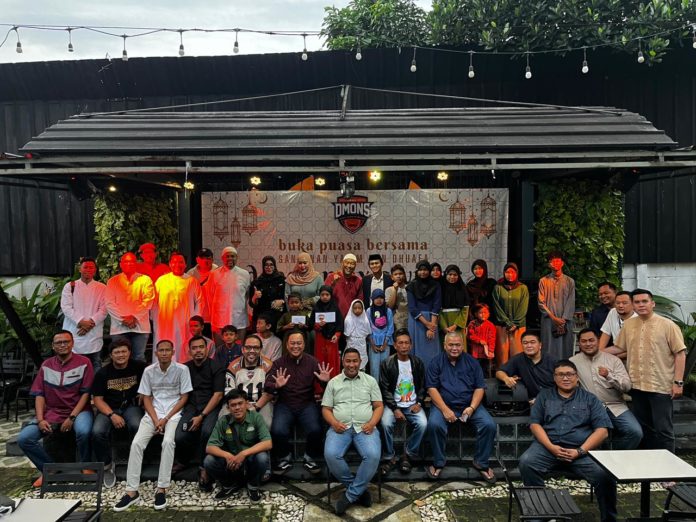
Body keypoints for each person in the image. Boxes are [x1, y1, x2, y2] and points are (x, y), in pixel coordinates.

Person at [518, 359, 617, 522]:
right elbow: (535, 424)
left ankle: (609, 519)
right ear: (554, 378)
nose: (565, 378)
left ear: (577, 377)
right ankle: (538, 515)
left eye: (570, 374)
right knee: (527, 462)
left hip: (581, 451)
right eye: (561, 375)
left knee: (605, 475)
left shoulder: (590, 399)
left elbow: (602, 431)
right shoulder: (544, 396)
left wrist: (580, 451)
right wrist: (551, 447)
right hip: (547, 448)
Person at [113, 339, 192, 512]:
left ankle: (162, 488)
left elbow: (184, 397)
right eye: (160, 350)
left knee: (168, 442)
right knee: (136, 443)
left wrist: (166, 419)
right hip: (153, 413)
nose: (164, 353)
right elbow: (146, 397)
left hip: (173, 414)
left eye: (167, 350)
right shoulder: (149, 371)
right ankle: (131, 491)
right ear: (155, 353)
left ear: (173, 352)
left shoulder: (182, 369)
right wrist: (156, 420)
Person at [613, 289, 687, 452]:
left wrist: (678, 383)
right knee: (645, 429)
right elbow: (619, 347)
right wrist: (596, 352)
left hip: (660, 386)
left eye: (644, 301)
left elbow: (680, 354)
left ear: (652, 303)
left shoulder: (667, 325)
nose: (641, 305)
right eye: (637, 302)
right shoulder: (629, 325)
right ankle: (648, 465)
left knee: (663, 430)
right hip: (637, 386)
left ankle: (668, 467)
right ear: (633, 305)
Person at [19, 330, 94, 488]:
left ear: (72, 343)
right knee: (24, 438)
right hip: (52, 412)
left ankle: (85, 465)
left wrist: (72, 417)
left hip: (79, 411)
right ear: (53, 346)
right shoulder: (46, 365)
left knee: (84, 431)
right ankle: (49, 469)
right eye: (58, 342)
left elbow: (86, 394)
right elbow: (39, 394)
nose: (62, 345)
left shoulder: (84, 362)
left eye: (66, 341)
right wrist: (40, 419)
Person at [425, 331, 496, 483]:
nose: (454, 348)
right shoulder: (435, 362)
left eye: (457, 345)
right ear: (444, 346)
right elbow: (431, 388)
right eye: (451, 345)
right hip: (443, 405)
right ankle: (438, 462)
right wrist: (445, 410)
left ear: (462, 346)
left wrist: (472, 408)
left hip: (469, 404)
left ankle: (481, 462)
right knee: (434, 425)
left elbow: (479, 387)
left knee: (489, 425)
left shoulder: (472, 362)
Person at [322, 348, 383, 515]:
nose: (351, 364)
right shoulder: (333, 382)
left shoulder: (370, 381)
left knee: (373, 455)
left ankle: (349, 496)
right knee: (331, 454)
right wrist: (334, 423)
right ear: (343, 362)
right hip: (340, 428)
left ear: (360, 362)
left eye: (355, 361)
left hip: (365, 428)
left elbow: (378, 406)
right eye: (348, 361)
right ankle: (359, 491)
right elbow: (326, 409)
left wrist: (372, 423)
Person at [262, 331, 332, 475]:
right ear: (287, 345)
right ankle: (284, 457)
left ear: (304, 345)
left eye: (299, 343)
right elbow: (267, 385)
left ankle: (310, 457)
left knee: (315, 429)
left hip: (306, 403)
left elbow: (326, 385)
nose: (296, 346)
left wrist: (326, 382)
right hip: (285, 404)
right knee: (278, 430)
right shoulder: (279, 363)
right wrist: (276, 385)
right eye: (292, 343)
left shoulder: (312, 362)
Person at [570, 329, 642, 450]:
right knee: (587, 435)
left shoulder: (613, 360)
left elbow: (627, 386)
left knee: (635, 432)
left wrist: (609, 376)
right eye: (584, 341)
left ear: (598, 341)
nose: (588, 344)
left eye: (591, 340)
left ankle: (614, 454)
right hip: (588, 407)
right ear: (579, 344)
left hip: (615, 405)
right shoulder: (573, 362)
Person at [91, 338, 146, 488]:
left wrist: (145, 393)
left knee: (137, 426)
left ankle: (136, 462)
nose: (121, 355)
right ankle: (107, 466)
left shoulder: (140, 367)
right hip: (109, 408)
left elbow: (152, 381)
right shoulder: (103, 373)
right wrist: (111, 415)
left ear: (129, 353)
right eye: (117, 352)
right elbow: (98, 400)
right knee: (97, 432)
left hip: (131, 406)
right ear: (111, 355)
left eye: (124, 351)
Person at [173, 335, 225, 489]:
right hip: (191, 406)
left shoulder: (216, 366)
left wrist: (201, 416)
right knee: (180, 435)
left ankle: (204, 467)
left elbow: (218, 395)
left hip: (211, 406)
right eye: (194, 348)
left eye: (201, 347)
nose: (198, 351)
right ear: (189, 351)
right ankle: (183, 461)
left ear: (207, 349)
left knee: (207, 431)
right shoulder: (185, 368)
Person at [204, 389, 272, 501]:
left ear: (247, 404)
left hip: (250, 460)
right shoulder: (223, 421)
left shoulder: (256, 417)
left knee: (262, 458)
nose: (237, 408)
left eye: (240, 403)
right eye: (233, 405)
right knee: (209, 461)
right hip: (231, 462)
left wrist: (244, 454)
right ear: (228, 408)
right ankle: (229, 485)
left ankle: (253, 486)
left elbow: (268, 443)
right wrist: (227, 456)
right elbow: (209, 447)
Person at [378, 329, 427, 476]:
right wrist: (394, 408)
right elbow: (384, 388)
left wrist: (419, 402)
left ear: (411, 345)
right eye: (400, 343)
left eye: (406, 343)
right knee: (385, 423)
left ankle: (408, 454)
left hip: (412, 404)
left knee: (423, 423)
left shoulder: (417, 362)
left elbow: (423, 385)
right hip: (394, 404)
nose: (404, 346)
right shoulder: (387, 363)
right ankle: (389, 456)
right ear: (395, 345)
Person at [152, 252, 203, 363]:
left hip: (185, 322)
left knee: (183, 347)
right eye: (174, 262)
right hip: (165, 323)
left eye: (181, 262)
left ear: (185, 264)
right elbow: (154, 303)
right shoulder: (161, 280)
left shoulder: (192, 281)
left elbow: (199, 301)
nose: (177, 265)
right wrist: (156, 320)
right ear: (170, 264)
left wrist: (195, 321)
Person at [105, 252, 155, 362]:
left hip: (140, 327)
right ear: (121, 264)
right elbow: (109, 304)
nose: (129, 264)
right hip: (119, 328)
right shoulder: (113, 281)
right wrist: (123, 319)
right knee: (119, 359)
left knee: (139, 358)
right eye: (126, 262)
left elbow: (148, 301)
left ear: (136, 263)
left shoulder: (145, 280)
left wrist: (134, 317)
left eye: (132, 262)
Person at [60, 257, 107, 371]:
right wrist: (81, 322)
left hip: (93, 334)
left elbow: (104, 309)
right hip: (74, 332)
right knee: (73, 368)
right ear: (79, 269)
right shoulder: (70, 286)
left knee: (95, 365)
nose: (88, 270)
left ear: (95, 270)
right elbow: (66, 307)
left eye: (91, 267)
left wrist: (90, 324)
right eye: (85, 267)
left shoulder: (102, 287)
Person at [224, 334, 274, 428]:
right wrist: (242, 406)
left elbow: (270, 392)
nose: (252, 351)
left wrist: (256, 407)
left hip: (261, 403)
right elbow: (229, 392)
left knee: (266, 424)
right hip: (237, 402)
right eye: (248, 347)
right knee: (223, 420)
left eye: (256, 348)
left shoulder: (269, 365)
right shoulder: (233, 366)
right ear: (242, 349)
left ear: (260, 349)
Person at [495, 330, 556, 402]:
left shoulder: (552, 361)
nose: (529, 346)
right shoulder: (518, 359)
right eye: (525, 343)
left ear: (540, 345)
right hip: (531, 401)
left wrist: (542, 400)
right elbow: (499, 372)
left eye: (532, 342)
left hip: (553, 399)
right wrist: (506, 378)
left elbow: (563, 385)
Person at [208, 246, 252, 345]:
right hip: (219, 320)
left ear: (237, 257)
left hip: (239, 319)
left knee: (238, 348)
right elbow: (209, 296)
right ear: (222, 258)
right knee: (220, 349)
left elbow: (247, 296)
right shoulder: (214, 274)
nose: (230, 259)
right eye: (227, 256)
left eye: (232, 256)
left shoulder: (244, 274)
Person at [538, 251, 576, 360]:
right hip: (548, 320)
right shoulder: (543, 281)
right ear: (549, 264)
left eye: (557, 261)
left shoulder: (569, 281)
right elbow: (541, 303)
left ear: (562, 263)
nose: (555, 263)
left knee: (565, 348)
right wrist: (554, 318)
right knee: (548, 348)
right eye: (552, 261)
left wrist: (562, 321)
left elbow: (571, 302)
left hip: (565, 321)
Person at [492, 262, 529, 366]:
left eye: (513, 272)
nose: (510, 275)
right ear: (504, 273)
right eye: (507, 272)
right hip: (502, 326)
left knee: (517, 354)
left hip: (518, 327)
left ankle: (516, 374)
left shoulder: (523, 288)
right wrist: (507, 322)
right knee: (502, 355)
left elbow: (523, 307)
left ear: (517, 273)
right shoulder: (498, 288)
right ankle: (503, 374)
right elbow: (497, 307)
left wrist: (515, 323)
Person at [407, 260, 442, 368]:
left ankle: (432, 376)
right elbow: (412, 308)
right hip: (417, 320)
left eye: (425, 270)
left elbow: (436, 305)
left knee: (431, 351)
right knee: (416, 351)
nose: (423, 272)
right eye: (420, 270)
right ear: (417, 271)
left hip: (432, 319)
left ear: (429, 271)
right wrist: (427, 324)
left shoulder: (436, 285)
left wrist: (432, 327)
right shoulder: (411, 285)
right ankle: (417, 376)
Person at [308, 286, 343, 380]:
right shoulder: (316, 307)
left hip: (332, 339)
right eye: (322, 294)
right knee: (320, 360)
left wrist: (337, 335)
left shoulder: (335, 307)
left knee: (332, 361)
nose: (324, 297)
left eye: (327, 294)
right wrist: (318, 325)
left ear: (331, 295)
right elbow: (310, 324)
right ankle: (319, 386)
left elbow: (340, 323)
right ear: (319, 295)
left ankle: (333, 383)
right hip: (320, 338)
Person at [249, 255, 286, 330]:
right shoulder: (257, 282)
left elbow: (288, 298)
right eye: (266, 265)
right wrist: (254, 297)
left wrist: (282, 301)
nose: (269, 267)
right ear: (263, 266)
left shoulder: (282, 280)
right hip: (261, 317)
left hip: (277, 317)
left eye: (271, 265)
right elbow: (251, 304)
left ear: (274, 266)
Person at [186, 247, 218, 327]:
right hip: (197, 315)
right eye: (202, 258)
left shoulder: (218, 272)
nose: (205, 261)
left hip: (215, 316)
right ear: (197, 259)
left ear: (212, 260)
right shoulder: (190, 274)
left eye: (208, 258)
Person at [599, 291, 637, 358]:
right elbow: (606, 333)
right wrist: (598, 353)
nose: (620, 306)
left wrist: (613, 358)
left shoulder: (638, 319)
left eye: (624, 303)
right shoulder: (613, 312)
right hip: (615, 351)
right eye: (617, 303)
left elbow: (634, 350)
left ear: (633, 304)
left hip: (632, 356)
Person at [367, 288, 394, 381]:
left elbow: (390, 327)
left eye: (381, 298)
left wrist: (385, 343)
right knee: (374, 367)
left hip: (385, 342)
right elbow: (368, 328)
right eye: (376, 298)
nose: (379, 300)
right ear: (372, 299)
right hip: (373, 342)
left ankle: (384, 388)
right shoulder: (369, 311)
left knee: (385, 366)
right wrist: (372, 344)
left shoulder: (388, 311)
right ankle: (375, 388)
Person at [325, 253, 364, 318]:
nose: (349, 266)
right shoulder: (331, 277)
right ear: (342, 263)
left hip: (351, 318)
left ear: (355, 266)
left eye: (352, 264)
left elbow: (360, 301)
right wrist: (333, 284)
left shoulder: (358, 281)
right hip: (333, 317)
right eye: (347, 263)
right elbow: (324, 296)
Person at [438, 264, 470, 342]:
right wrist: (444, 327)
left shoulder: (462, 289)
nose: (452, 277)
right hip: (444, 322)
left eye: (455, 275)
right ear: (446, 275)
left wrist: (455, 325)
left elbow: (465, 309)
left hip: (458, 324)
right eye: (450, 274)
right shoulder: (440, 289)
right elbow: (437, 308)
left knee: (458, 344)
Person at [467, 303, 496, 377]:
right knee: (474, 367)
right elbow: (470, 336)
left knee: (485, 369)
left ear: (489, 314)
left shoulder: (490, 325)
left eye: (485, 312)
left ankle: (485, 382)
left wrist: (491, 351)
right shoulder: (472, 324)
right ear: (476, 314)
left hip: (485, 353)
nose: (483, 314)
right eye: (480, 313)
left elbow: (492, 339)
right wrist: (479, 341)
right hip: (475, 352)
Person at [344, 299, 372, 370]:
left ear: (363, 309)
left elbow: (367, 333)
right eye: (355, 308)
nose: (357, 310)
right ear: (351, 308)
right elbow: (346, 334)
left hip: (362, 344)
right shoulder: (348, 320)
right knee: (350, 362)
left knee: (361, 363)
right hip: (351, 343)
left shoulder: (365, 320)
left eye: (359, 308)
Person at [385, 264, 409, 331]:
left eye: (400, 274)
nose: (398, 276)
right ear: (392, 277)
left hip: (409, 319)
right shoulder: (389, 290)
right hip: (396, 321)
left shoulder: (410, 288)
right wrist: (394, 290)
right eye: (395, 274)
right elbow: (390, 306)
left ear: (404, 275)